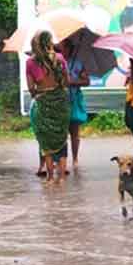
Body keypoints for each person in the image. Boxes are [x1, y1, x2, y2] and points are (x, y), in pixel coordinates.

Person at [26, 31, 71, 182]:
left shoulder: (30, 63)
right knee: (62, 139)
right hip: (61, 104)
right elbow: (66, 83)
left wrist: (41, 90)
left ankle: (50, 178)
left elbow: (31, 89)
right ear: (50, 42)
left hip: (43, 105)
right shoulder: (60, 59)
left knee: (46, 143)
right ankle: (62, 178)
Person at [59, 38, 90, 170]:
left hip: (74, 101)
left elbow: (86, 81)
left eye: (63, 47)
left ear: (69, 48)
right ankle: (60, 159)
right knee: (60, 133)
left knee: (74, 133)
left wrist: (73, 82)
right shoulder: (56, 62)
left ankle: (75, 158)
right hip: (59, 101)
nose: (61, 49)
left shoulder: (77, 64)